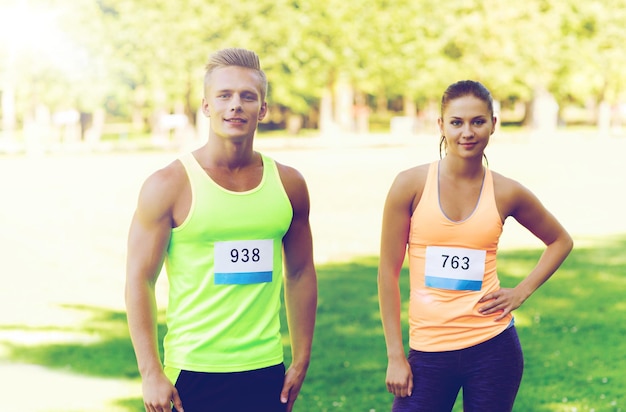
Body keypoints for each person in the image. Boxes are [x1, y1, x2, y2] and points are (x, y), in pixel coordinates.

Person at [125, 48, 317, 412]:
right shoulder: (169, 185)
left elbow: (301, 270)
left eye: (248, 97)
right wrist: (150, 371)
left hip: (265, 370)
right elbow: (139, 279)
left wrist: (301, 357)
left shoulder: (289, 184)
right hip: (193, 371)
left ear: (262, 109)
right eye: (224, 96)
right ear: (206, 106)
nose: (236, 106)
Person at [377, 80, 573, 411]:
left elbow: (560, 241)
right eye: (457, 122)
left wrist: (521, 291)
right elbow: (387, 273)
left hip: (492, 348)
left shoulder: (507, 192)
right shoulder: (409, 185)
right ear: (441, 125)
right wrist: (396, 355)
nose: (467, 132)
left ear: (494, 124)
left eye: (477, 121)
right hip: (428, 351)